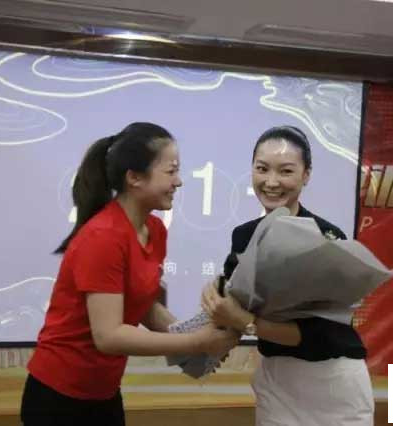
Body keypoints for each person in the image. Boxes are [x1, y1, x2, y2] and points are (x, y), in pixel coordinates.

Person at [21, 122, 239, 426]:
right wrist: (197, 343)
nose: (179, 182)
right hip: (58, 397)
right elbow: (109, 336)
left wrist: (193, 336)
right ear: (134, 177)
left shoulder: (155, 230)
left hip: (104, 391)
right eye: (171, 171)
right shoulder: (103, 236)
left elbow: (144, 305)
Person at [202, 125, 374, 426]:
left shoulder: (327, 237)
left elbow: (319, 333)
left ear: (306, 175)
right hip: (277, 379)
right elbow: (231, 307)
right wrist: (215, 306)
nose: (271, 182)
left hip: (332, 379)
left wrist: (245, 321)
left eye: (286, 171)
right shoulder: (243, 236)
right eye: (262, 169)